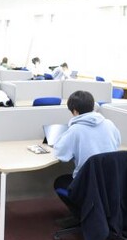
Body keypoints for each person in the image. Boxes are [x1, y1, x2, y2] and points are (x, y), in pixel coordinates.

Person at [52, 91, 121, 226]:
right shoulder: (109, 124)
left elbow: (61, 155)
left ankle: (81, 216)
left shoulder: (75, 129)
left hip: (88, 184)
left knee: (60, 182)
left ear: (75, 111)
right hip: (111, 181)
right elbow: (117, 143)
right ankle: (94, 213)